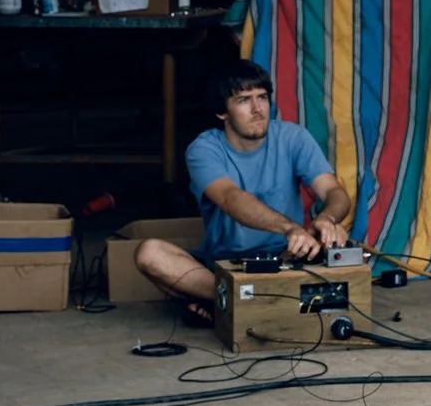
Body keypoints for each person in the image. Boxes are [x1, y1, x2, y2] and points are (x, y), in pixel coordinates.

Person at [134, 58, 352, 320]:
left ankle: (231, 305)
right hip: (223, 266)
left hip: (287, 258)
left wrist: (327, 219)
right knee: (149, 253)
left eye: (262, 98)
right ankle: (247, 300)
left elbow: (334, 191)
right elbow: (231, 199)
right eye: (243, 100)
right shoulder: (204, 149)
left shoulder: (293, 137)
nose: (257, 109)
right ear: (221, 112)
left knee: (334, 243)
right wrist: (289, 228)